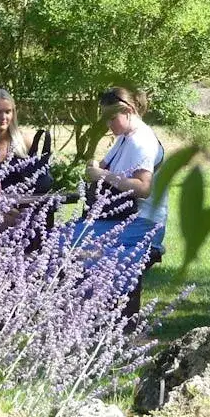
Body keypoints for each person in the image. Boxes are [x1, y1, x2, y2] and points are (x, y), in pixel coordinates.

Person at [75, 87, 167, 315]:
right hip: (119, 218)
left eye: (111, 118)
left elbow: (143, 187)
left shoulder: (141, 141)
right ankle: (82, 311)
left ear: (128, 110)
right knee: (64, 240)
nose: (108, 125)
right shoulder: (124, 138)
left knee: (74, 246)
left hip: (143, 224)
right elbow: (103, 167)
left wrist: (103, 176)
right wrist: (95, 168)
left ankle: (92, 312)